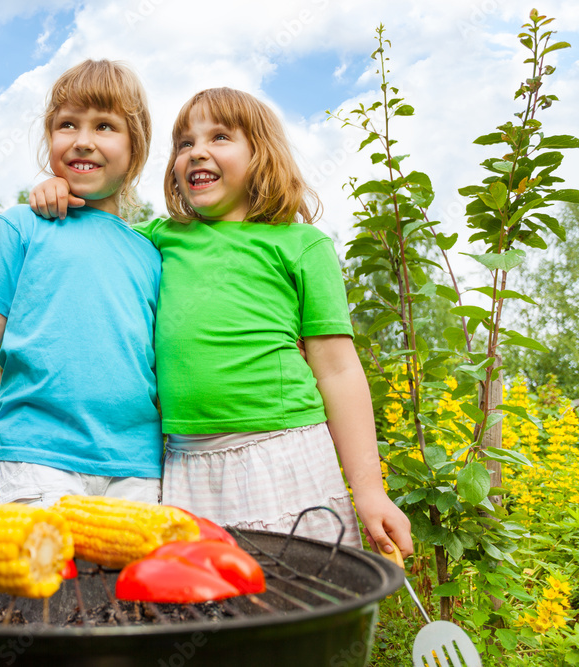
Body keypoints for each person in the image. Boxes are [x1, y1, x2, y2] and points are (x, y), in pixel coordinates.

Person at [28, 87, 412, 556]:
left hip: (285, 452)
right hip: (185, 466)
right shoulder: (158, 239)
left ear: (261, 155)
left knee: (295, 604)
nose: (197, 152)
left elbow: (337, 370)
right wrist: (60, 188)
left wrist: (370, 490)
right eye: (185, 143)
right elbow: (98, 232)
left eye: (220, 137)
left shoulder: (300, 244)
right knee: (199, 605)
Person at [0, 60, 163, 508]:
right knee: (44, 578)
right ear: (50, 140)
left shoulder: (153, 253)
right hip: (39, 459)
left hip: (137, 466)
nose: (83, 140)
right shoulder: (24, 225)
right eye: (67, 125)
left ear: (135, 151)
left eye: (104, 126)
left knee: (126, 582)